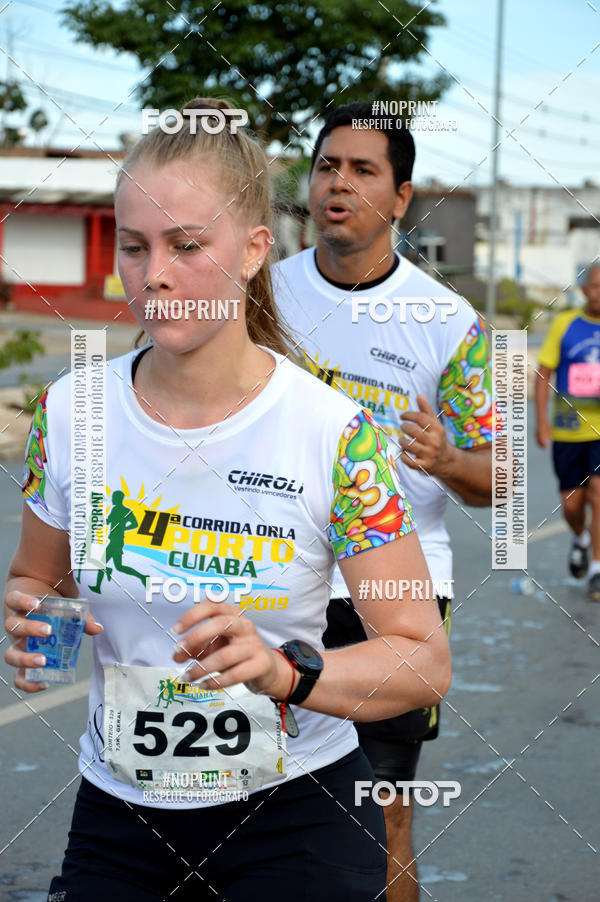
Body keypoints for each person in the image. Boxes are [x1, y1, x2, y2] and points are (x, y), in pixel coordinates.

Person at [3, 99, 451, 902]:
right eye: (134, 248)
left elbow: (421, 659)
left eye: (185, 244)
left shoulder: (333, 433)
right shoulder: (71, 413)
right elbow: (40, 582)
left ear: (252, 251)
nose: (155, 274)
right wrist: (32, 616)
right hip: (121, 816)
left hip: (296, 819)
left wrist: (285, 674)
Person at [272, 101, 493, 902]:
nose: (340, 183)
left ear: (401, 198)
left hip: (393, 594)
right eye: (328, 165)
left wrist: (447, 458)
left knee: (380, 812)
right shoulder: (259, 295)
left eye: (364, 170)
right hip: (265, 577)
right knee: (249, 806)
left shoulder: (449, 322)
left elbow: (500, 476)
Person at [536, 264, 600, 601]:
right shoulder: (566, 324)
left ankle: (597, 570)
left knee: (599, 494)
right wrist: (542, 422)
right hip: (568, 430)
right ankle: (580, 540)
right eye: (595, 285)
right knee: (572, 506)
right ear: (585, 289)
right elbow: (543, 373)